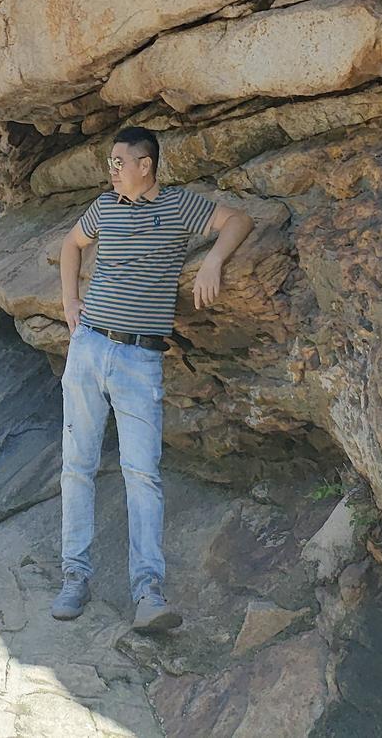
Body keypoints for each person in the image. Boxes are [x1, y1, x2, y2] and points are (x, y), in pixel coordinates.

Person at [52, 125, 253, 632]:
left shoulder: (181, 206)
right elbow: (70, 246)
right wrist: (71, 301)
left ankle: (149, 594)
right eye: (111, 161)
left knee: (142, 473)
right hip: (90, 344)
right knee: (77, 465)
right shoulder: (106, 207)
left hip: (141, 359)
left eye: (120, 161)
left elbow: (238, 221)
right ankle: (74, 577)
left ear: (146, 165)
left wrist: (212, 259)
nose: (112, 169)